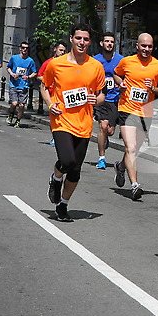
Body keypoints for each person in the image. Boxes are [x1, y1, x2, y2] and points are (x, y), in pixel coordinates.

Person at [41, 23, 105, 222]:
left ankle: (63, 205)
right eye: (78, 38)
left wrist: (97, 99)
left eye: (86, 39)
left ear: (90, 42)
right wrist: (50, 104)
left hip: (84, 123)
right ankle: (56, 178)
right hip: (61, 120)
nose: (82, 42)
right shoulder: (56, 64)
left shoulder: (95, 66)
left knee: (75, 171)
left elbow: (102, 94)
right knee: (67, 161)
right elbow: (44, 86)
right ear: (71, 39)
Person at [113, 33, 158, 200]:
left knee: (134, 150)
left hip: (146, 113)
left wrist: (153, 89)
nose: (146, 49)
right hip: (126, 109)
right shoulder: (127, 61)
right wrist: (120, 83)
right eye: (143, 46)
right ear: (137, 46)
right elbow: (117, 74)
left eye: (149, 46)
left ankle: (121, 166)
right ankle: (135, 185)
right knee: (130, 148)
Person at [93, 32, 124, 170]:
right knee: (103, 126)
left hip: (115, 99)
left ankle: (105, 139)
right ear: (101, 43)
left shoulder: (121, 60)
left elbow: (125, 76)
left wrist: (121, 83)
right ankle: (101, 158)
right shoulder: (95, 60)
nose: (109, 44)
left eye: (112, 42)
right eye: (107, 41)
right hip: (101, 98)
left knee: (110, 131)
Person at [37, 41, 68, 146]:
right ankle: (55, 136)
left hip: (63, 94)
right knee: (54, 116)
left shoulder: (67, 63)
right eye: (60, 50)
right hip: (51, 94)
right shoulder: (49, 63)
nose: (62, 52)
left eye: (64, 50)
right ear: (55, 49)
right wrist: (51, 81)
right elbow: (39, 76)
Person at [6, 42, 37, 128]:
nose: (25, 50)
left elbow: (34, 72)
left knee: (22, 105)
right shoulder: (14, 58)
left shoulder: (30, 61)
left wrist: (28, 76)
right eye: (23, 48)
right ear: (20, 48)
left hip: (24, 85)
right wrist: (12, 74)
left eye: (26, 48)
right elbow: (8, 67)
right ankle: (11, 114)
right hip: (14, 84)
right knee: (14, 103)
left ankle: (18, 120)